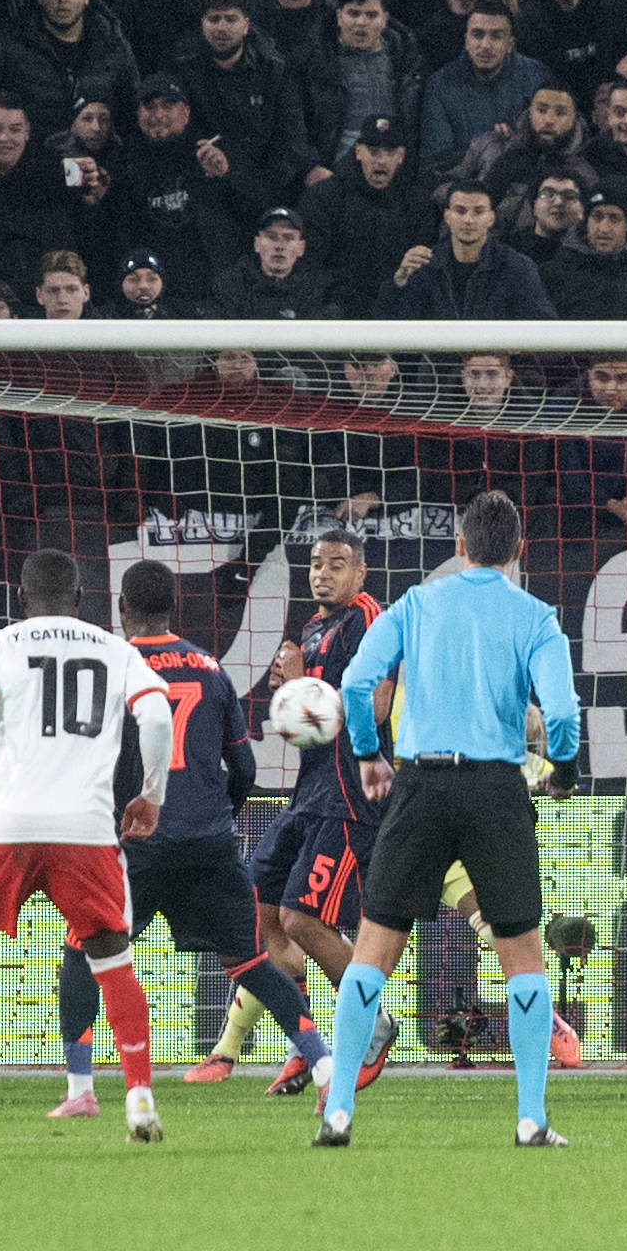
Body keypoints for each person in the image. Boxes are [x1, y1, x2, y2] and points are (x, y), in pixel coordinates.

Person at [310, 489, 585, 1149]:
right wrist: (564, 773)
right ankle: (530, 1118)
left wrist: (368, 755)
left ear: (460, 547)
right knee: (521, 956)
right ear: (518, 551)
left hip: (421, 785)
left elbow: (355, 683)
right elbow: (563, 713)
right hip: (496, 789)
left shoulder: (415, 604)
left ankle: (338, 1110)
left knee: (373, 951)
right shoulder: (535, 616)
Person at [0, 548, 171, 1145]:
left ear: (21, 599)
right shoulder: (117, 650)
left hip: (7, 826)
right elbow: (156, 719)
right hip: (86, 829)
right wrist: (151, 795)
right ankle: (140, 1101)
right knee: (113, 964)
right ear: (81, 600)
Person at [44, 561, 328, 1117]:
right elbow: (244, 767)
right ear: (174, 607)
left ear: (121, 608)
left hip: (136, 843)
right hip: (209, 843)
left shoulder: (112, 665)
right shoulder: (211, 669)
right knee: (251, 962)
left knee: (83, 952)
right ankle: (323, 1066)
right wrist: (217, 818)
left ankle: (80, 1090)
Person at [212, 530, 397, 1093]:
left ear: (360, 574)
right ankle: (308, 1039)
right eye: (316, 564)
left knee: (302, 920)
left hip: (350, 798)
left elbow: (377, 707)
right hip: (308, 794)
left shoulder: (369, 619)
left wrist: (304, 685)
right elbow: (311, 726)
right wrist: (289, 697)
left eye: (337, 565)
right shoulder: (313, 628)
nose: (323, 574)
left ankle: (374, 1022)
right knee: (258, 913)